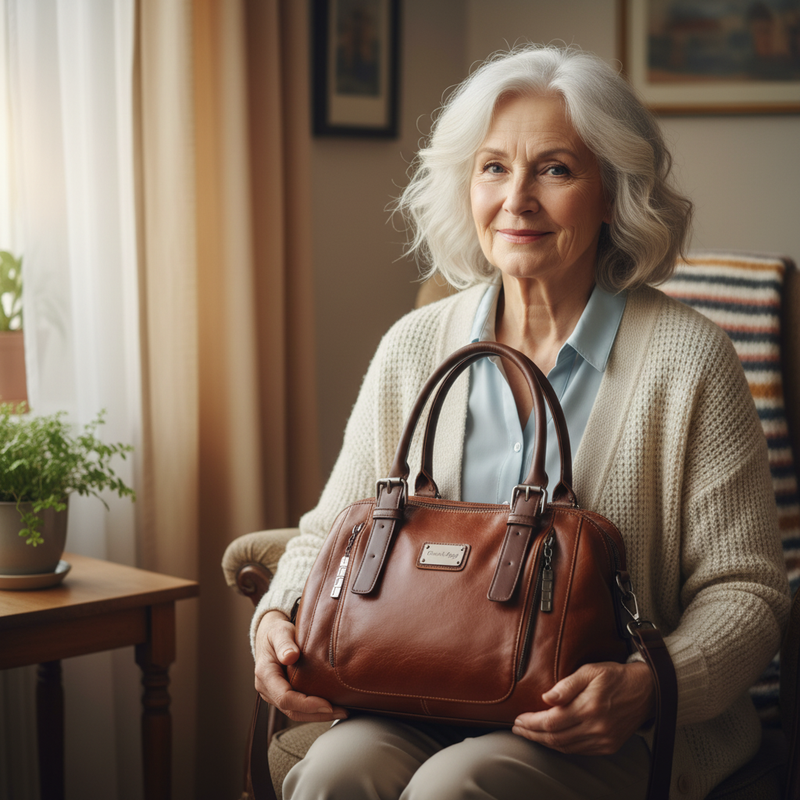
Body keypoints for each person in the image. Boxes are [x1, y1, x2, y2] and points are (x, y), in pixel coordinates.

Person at [252, 44, 790, 799]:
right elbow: (327, 534)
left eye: (555, 169)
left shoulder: (690, 360)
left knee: (456, 788)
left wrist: (647, 686)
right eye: (494, 167)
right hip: (417, 699)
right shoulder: (414, 346)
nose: (517, 199)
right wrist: (276, 619)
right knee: (336, 773)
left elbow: (748, 589)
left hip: (606, 727)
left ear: (614, 193)